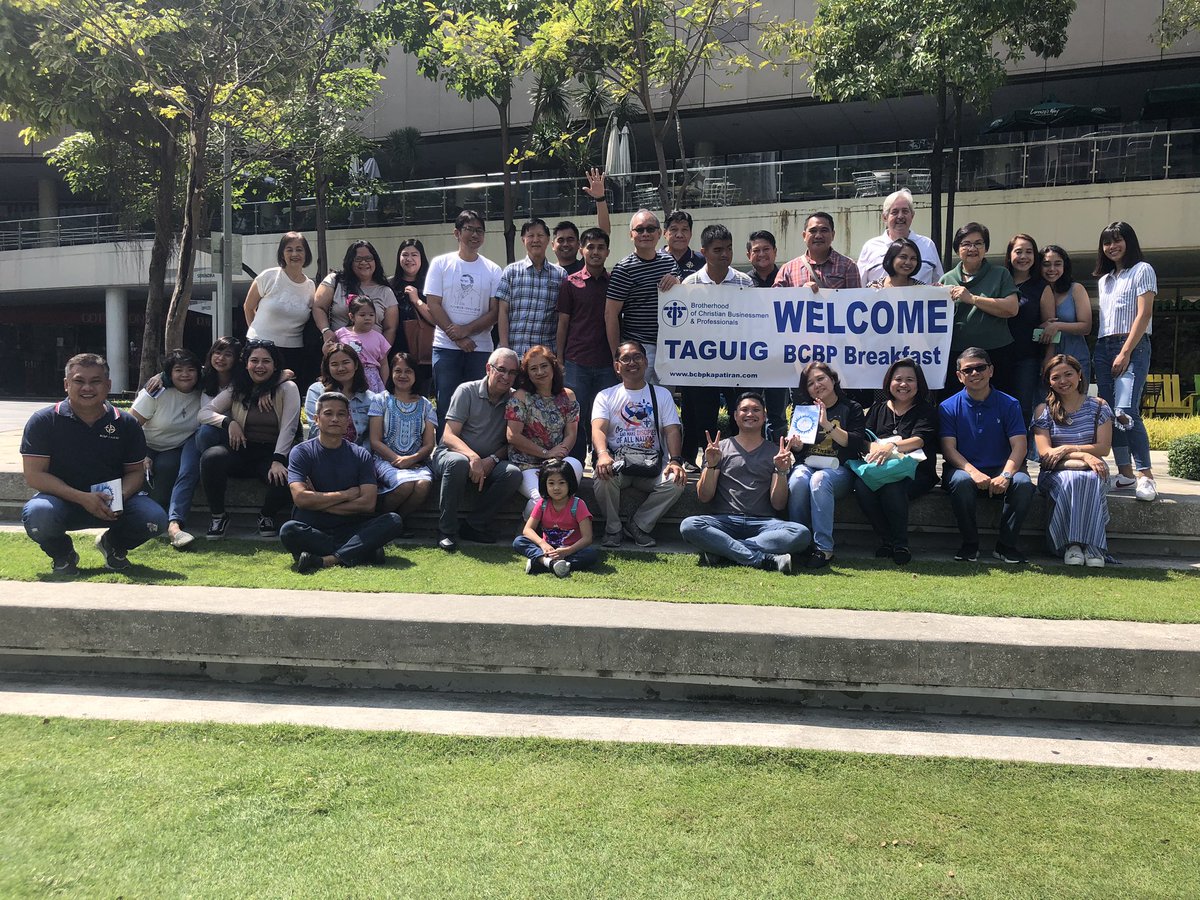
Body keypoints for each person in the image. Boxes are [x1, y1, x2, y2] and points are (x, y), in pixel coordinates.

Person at [20, 353, 168, 575]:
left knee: (154, 519)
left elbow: (135, 472)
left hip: (113, 502)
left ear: (108, 385)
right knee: (38, 515)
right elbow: (34, 476)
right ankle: (63, 554)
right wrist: (83, 498)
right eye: (79, 381)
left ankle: (114, 545)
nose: (87, 388)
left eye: (95, 381)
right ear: (66, 385)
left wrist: (116, 498)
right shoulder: (43, 421)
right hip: (61, 500)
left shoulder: (126, 423)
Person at [679, 394, 811, 573]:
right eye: (745, 410)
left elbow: (778, 504)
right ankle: (761, 560)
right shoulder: (720, 449)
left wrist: (780, 470)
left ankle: (724, 549)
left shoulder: (775, 452)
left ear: (764, 417)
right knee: (689, 525)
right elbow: (704, 497)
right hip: (724, 521)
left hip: (764, 524)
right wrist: (711, 464)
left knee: (801, 533)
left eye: (756, 410)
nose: (750, 414)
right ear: (734, 416)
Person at [281, 391, 405, 574]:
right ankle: (362, 551)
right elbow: (300, 498)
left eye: (341, 414)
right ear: (316, 419)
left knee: (393, 521)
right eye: (328, 414)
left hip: (351, 526)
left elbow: (368, 504)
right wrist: (347, 494)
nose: (335, 419)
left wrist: (318, 502)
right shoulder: (301, 452)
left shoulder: (360, 454)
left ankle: (327, 560)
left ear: (348, 420)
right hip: (314, 526)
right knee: (289, 530)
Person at [665, 223, 754, 472]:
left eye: (728, 249)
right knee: (703, 416)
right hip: (701, 365)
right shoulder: (689, 283)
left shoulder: (744, 282)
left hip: (736, 363)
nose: (724, 254)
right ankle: (707, 460)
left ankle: (740, 459)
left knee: (740, 409)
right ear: (704, 251)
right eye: (717, 250)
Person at [939, 347, 1034, 564]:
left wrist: (1007, 475)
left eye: (980, 368)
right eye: (968, 370)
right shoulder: (947, 407)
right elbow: (948, 449)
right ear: (959, 376)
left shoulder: (1010, 404)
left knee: (1023, 483)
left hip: (1003, 470)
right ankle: (970, 544)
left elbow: (1019, 445)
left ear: (991, 370)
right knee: (961, 481)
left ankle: (1006, 546)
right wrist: (973, 472)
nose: (975, 373)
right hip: (964, 470)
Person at [199, 339, 301, 539]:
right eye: (254, 361)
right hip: (242, 449)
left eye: (266, 361)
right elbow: (204, 412)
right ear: (246, 364)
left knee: (289, 473)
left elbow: (289, 427)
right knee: (211, 457)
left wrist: (279, 460)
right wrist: (229, 422)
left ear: (275, 365)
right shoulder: (238, 387)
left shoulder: (288, 388)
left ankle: (267, 515)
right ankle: (218, 516)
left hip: (272, 452)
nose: (260, 366)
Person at [591, 339, 687, 547]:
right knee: (602, 477)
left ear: (645, 362)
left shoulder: (661, 394)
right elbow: (598, 429)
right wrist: (602, 454)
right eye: (625, 359)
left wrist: (676, 461)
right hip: (619, 463)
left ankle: (638, 525)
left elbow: (672, 430)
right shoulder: (605, 396)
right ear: (617, 367)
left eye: (637, 357)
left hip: (650, 465)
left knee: (675, 482)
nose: (632, 362)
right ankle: (613, 529)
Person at [430, 348, 522, 552]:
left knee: (513, 474)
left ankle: (474, 525)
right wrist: (473, 457)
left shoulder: (516, 400)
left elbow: (513, 441)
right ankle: (446, 530)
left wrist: (492, 459)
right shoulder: (466, 390)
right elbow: (449, 435)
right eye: (502, 370)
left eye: (513, 372)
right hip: (452, 454)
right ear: (488, 368)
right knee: (458, 463)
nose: (507, 377)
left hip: (490, 459)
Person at [1092, 221, 1158, 501]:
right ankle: (1125, 474)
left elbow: (1143, 315)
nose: (1112, 247)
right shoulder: (1103, 280)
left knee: (1126, 410)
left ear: (1129, 242)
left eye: (1118, 240)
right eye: (1107, 242)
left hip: (1132, 345)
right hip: (1103, 345)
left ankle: (1146, 476)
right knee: (1110, 414)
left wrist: (1125, 351)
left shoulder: (1142, 270)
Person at [851, 358, 938, 564]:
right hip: (879, 469)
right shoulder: (878, 409)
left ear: (919, 384)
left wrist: (892, 446)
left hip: (916, 471)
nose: (903, 384)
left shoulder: (926, 410)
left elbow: (920, 440)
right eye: (898, 379)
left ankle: (900, 544)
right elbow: (863, 438)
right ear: (889, 382)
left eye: (910, 379)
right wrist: (874, 448)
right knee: (861, 487)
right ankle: (886, 539)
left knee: (892, 488)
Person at [425, 210, 503, 431]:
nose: (475, 235)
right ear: (457, 233)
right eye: (469, 229)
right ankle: (445, 452)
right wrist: (457, 338)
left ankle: (473, 452)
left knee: (479, 404)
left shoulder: (493, 269)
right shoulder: (441, 263)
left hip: (480, 348)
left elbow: (494, 311)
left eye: (480, 230)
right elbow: (433, 303)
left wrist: (466, 331)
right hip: (445, 347)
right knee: (446, 401)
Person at [1032, 354, 1113, 567]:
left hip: (1094, 469)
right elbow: (1046, 454)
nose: (1062, 381)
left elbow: (1104, 448)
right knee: (1072, 480)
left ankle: (1092, 546)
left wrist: (1068, 448)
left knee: (1089, 480)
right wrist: (1084, 455)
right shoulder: (1044, 410)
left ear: (1079, 375)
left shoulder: (1099, 406)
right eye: (1055, 377)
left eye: (1068, 374)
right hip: (1055, 471)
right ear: (1048, 381)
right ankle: (1072, 545)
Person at [784, 362, 865, 569]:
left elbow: (855, 443)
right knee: (798, 479)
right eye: (810, 383)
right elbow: (800, 452)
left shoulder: (851, 408)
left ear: (833, 379)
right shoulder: (803, 411)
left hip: (840, 470)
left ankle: (823, 549)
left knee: (819, 480)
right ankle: (799, 541)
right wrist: (797, 445)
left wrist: (827, 424)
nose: (817, 385)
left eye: (821, 379)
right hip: (809, 465)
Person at [556, 226, 617, 463]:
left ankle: (603, 459)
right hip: (576, 361)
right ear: (582, 250)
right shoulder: (570, 283)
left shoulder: (614, 282)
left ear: (607, 252)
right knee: (575, 416)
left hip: (606, 362)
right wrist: (559, 359)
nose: (595, 252)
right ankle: (576, 464)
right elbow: (563, 324)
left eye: (601, 247)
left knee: (604, 415)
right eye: (590, 247)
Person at [128, 349, 202, 546]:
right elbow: (130, 427)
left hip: (174, 447)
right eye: (178, 370)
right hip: (144, 444)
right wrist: (142, 455)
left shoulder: (203, 391)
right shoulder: (155, 391)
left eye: (190, 370)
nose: (185, 374)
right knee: (143, 472)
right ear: (169, 373)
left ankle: (162, 516)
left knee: (168, 466)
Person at [939, 223, 1018, 392]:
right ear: (957, 249)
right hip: (957, 354)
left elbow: (1012, 308)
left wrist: (973, 299)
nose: (972, 248)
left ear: (986, 248)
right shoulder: (947, 279)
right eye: (966, 244)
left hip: (996, 352)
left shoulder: (1000, 274)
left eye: (978, 243)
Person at [505, 345, 582, 511]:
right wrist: (546, 454)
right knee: (543, 498)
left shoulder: (568, 396)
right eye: (533, 368)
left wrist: (558, 454)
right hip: (526, 464)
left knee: (574, 464)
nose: (540, 372)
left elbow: (571, 434)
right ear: (527, 374)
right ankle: (527, 529)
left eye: (544, 366)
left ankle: (558, 530)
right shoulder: (520, 397)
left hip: (557, 461)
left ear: (553, 366)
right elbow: (513, 436)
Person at [605, 210, 678, 382]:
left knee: (662, 401)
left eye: (651, 229)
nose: (645, 233)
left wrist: (677, 280)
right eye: (639, 229)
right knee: (637, 403)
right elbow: (610, 315)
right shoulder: (624, 269)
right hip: (637, 350)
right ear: (631, 235)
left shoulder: (669, 262)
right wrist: (618, 355)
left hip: (667, 347)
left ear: (660, 233)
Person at [243, 231, 316, 386]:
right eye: (289, 249)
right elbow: (248, 307)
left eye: (299, 249)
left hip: (293, 352)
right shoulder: (269, 276)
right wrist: (258, 337)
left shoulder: (310, 286)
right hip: (260, 350)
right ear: (282, 254)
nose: (294, 254)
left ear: (306, 254)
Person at [369, 352, 436, 519]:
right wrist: (398, 460)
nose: (403, 375)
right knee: (404, 486)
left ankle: (400, 522)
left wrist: (411, 459)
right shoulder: (380, 400)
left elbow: (429, 444)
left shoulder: (425, 405)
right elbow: (374, 441)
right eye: (398, 371)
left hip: (415, 462)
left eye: (408, 371)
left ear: (415, 374)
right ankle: (380, 520)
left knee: (423, 485)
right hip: (385, 460)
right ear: (391, 373)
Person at [512, 459, 598, 578]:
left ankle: (541, 563)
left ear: (570, 483)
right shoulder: (542, 504)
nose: (556, 488)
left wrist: (567, 551)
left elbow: (587, 538)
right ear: (544, 484)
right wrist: (543, 545)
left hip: (570, 551)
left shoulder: (578, 505)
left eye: (561, 483)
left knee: (591, 554)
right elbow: (527, 530)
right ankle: (550, 563)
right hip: (547, 549)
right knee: (519, 542)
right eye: (551, 483)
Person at [497, 217, 566, 359]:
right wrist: (504, 349)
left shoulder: (560, 275)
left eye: (540, 235)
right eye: (530, 236)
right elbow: (503, 311)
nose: (536, 240)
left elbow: (561, 319)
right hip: (515, 353)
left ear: (548, 240)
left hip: (546, 356)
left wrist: (559, 356)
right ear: (523, 240)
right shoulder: (510, 271)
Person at [312, 240, 398, 351]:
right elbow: (318, 306)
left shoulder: (386, 291)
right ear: (350, 262)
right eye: (358, 259)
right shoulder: (335, 280)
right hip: (338, 355)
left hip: (372, 358)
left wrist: (382, 355)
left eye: (368, 258)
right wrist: (326, 330)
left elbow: (390, 328)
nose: (363, 263)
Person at [1003, 233, 1046, 433]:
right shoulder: (1000, 280)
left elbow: (1049, 326)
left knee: (1022, 409)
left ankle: (1020, 461)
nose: (1023, 256)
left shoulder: (1041, 287)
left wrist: (1050, 357)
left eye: (1029, 252)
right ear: (1010, 255)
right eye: (1018, 251)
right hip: (998, 356)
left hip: (1027, 358)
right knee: (998, 409)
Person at [856, 189, 944, 285]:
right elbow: (859, 286)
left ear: (912, 216)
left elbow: (939, 284)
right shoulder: (870, 247)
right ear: (885, 217)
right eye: (895, 212)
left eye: (905, 211)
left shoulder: (927, 245)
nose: (900, 216)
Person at [1037, 245, 1092, 386]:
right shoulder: (1034, 292)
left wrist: (1057, 326)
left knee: (1076, 403)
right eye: (1046, 264)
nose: (1052, 269)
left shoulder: (1076, 289)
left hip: (1074, 355)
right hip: (1042, 357)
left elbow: (1086, 327)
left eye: (1057, 264)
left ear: (1065, 266)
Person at [304, 343, 373, 446]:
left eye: (345, 362)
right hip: (323, 453)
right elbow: (315, 428)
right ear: (328, 368)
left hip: (359, 457)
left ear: (356, 365)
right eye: (334, 364)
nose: (341, 368)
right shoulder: (317, 391)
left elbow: (371, 437)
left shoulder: (371, 398)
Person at [390, 238, 436, 392]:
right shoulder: (389, 285)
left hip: (423, 350)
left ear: (422, 258)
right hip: (395, 346)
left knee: (421, 392)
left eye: (414, 255)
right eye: (405, 254)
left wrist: (417, 301)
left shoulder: (432, 284)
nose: (409, 259)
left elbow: (437, 320)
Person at [774, 212, 861, 289]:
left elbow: (857, 300)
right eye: (813, 231)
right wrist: (799, 294)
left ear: (833, 235)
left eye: (824, 230)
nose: (818, 236)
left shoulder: (848, 266)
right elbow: (773, 301)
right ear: (804, 236)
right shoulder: (788, 269)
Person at [551, 168, 611, 274]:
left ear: (579, 244)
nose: (565, 244)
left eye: (570, 239)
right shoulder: (547, 273)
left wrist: (600, 198)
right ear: (552, 245)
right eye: (561, 240)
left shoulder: (585, 267)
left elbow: (604, 232)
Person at [335, 296, 390, 393]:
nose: (367, 318)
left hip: (371, 379)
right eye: (362, 315)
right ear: (352, 316)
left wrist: (386, 385)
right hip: (348, 376)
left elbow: (384, 364)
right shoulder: (341, 334)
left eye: (371, 315)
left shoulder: (379, 338)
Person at [663, 210, 706, 278]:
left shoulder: (702, 261)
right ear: (664, 233)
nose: (679, 235)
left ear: (691, 233)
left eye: (684, 230)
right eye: (674, 229)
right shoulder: (655, 260)